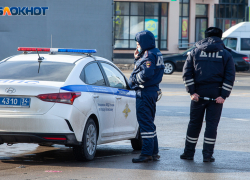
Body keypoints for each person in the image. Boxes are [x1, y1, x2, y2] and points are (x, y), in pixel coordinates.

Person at [180, 27, 235, 162]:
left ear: (205, 37)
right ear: (220, 37)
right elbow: (230, 77)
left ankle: (188, 153)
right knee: (211, 125)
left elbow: (187, 73)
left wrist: (192, 92)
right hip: (217, 96)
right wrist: (223, 95)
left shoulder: (195, 51)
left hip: (198, 94)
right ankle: (207, 156)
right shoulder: (226, 54)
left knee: (194, 124)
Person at [128, 30, 164, 163]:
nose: (137, 46)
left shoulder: (148, 55)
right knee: (150, 124)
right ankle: (154, 152)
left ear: (144, 43)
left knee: (145, 124)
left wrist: (133, 81)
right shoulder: (155, 52)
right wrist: (137, 58)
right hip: (151, 92)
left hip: (144, 93)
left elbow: (146, 74)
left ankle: (147, 153)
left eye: (138, 43)